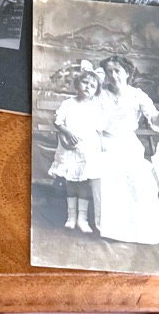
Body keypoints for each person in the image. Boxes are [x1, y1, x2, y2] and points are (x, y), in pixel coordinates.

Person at [91, 55, 159, 242]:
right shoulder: (99, 94)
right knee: (105, 176)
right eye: (109, 71)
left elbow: (157, 124)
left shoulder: (137, 95)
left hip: (128, 145)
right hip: (103, 143)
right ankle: (110, 230)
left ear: (127, 72)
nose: (113, 75)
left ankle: (137, 228)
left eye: (117, 71)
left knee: (139, 179)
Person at [48, 61, 105, 234]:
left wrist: (100, 148)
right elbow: (58, 122)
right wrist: (68, 132)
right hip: (69, 148)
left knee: (84, 183)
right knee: (71, 182)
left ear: (96, 91)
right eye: (85, 82)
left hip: (87, 150)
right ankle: (71, 217)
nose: (88, 87)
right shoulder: (68, 104)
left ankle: (83, 219)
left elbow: (99, 130)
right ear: (77, 83)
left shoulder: (96, 107)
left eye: (92, 86)